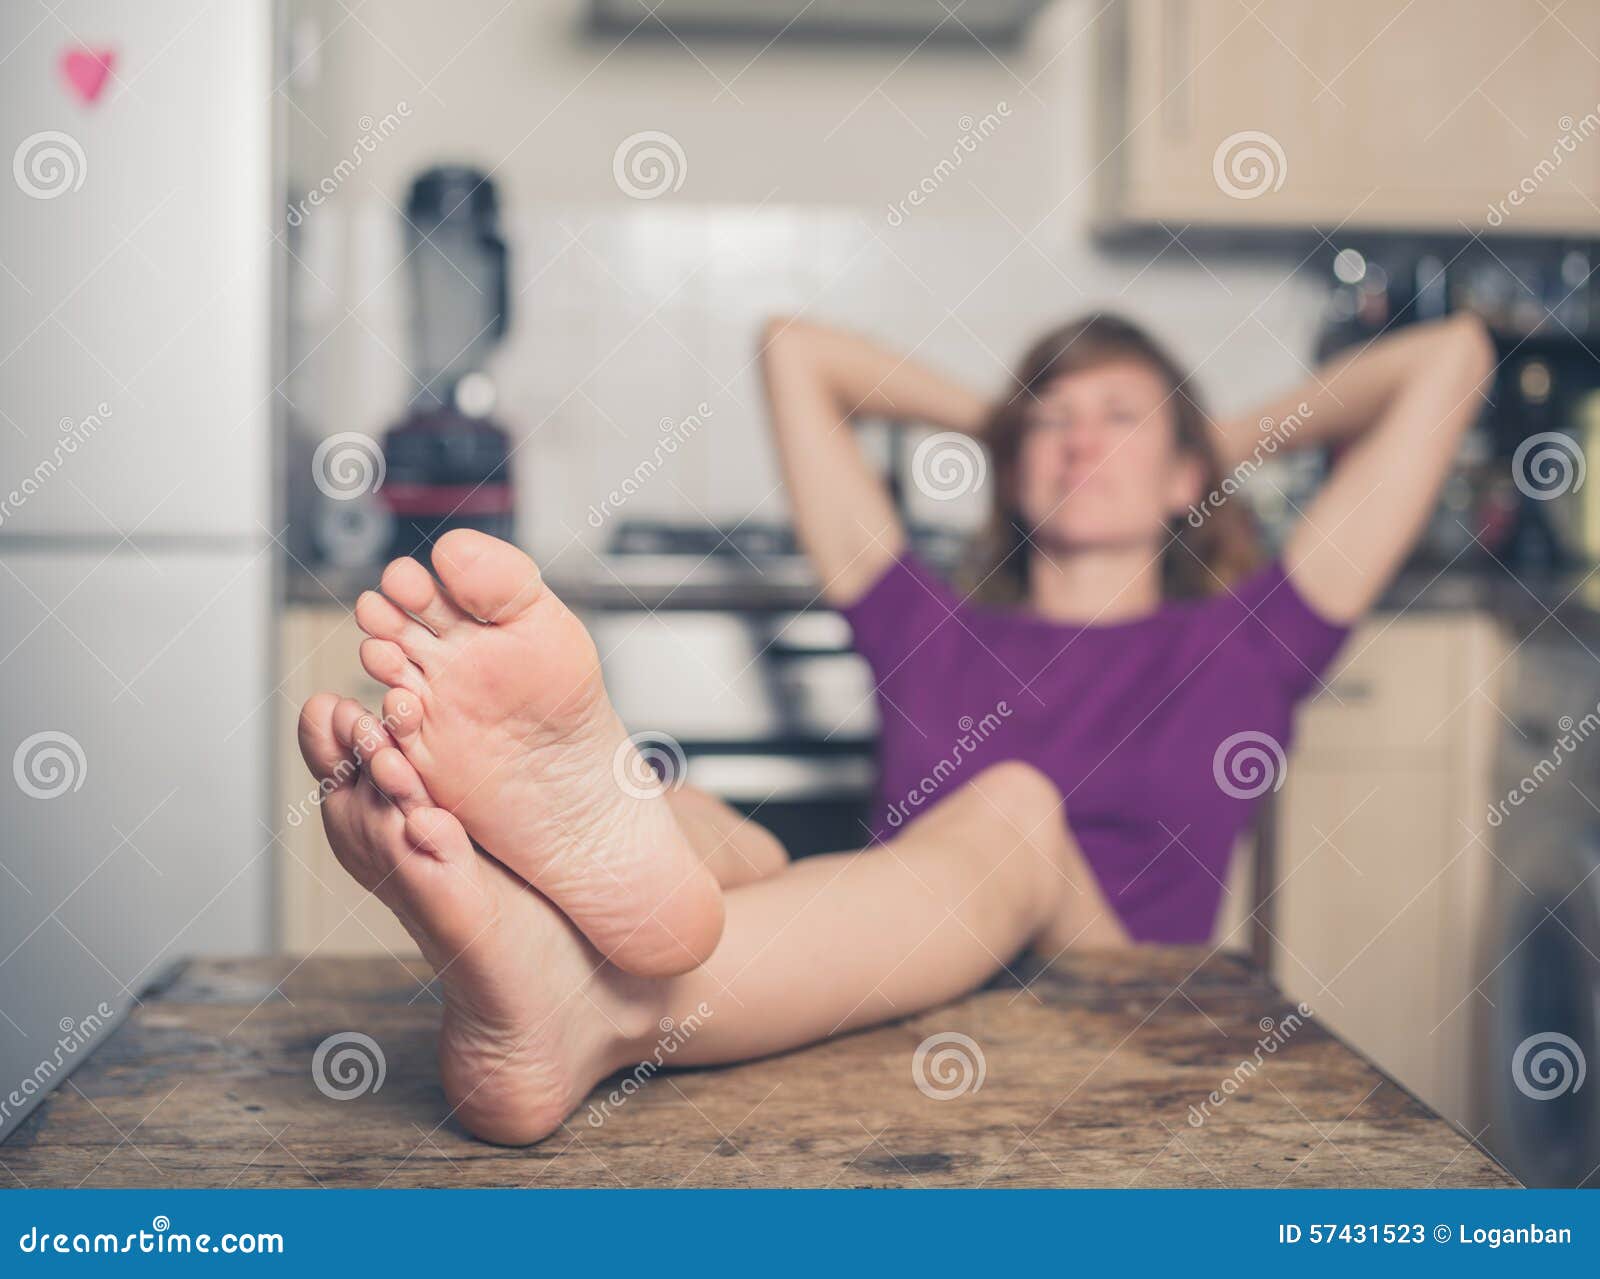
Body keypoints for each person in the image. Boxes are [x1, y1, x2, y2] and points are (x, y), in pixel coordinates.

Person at [299, 308, 1493, 1144]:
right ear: (1008, 463)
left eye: (1119, 420)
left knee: (1014, 809)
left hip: (1113, 996)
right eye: (1052, 423)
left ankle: (601, 1010)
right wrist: (1022, 423)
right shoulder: (931, 620)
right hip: (889, 970)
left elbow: (1449, 357)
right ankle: (525, 928)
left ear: (1189, 474)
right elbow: (793, 351)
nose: (1078, 440)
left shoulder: (1249, 637)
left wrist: (1212, 438)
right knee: (702, 827)